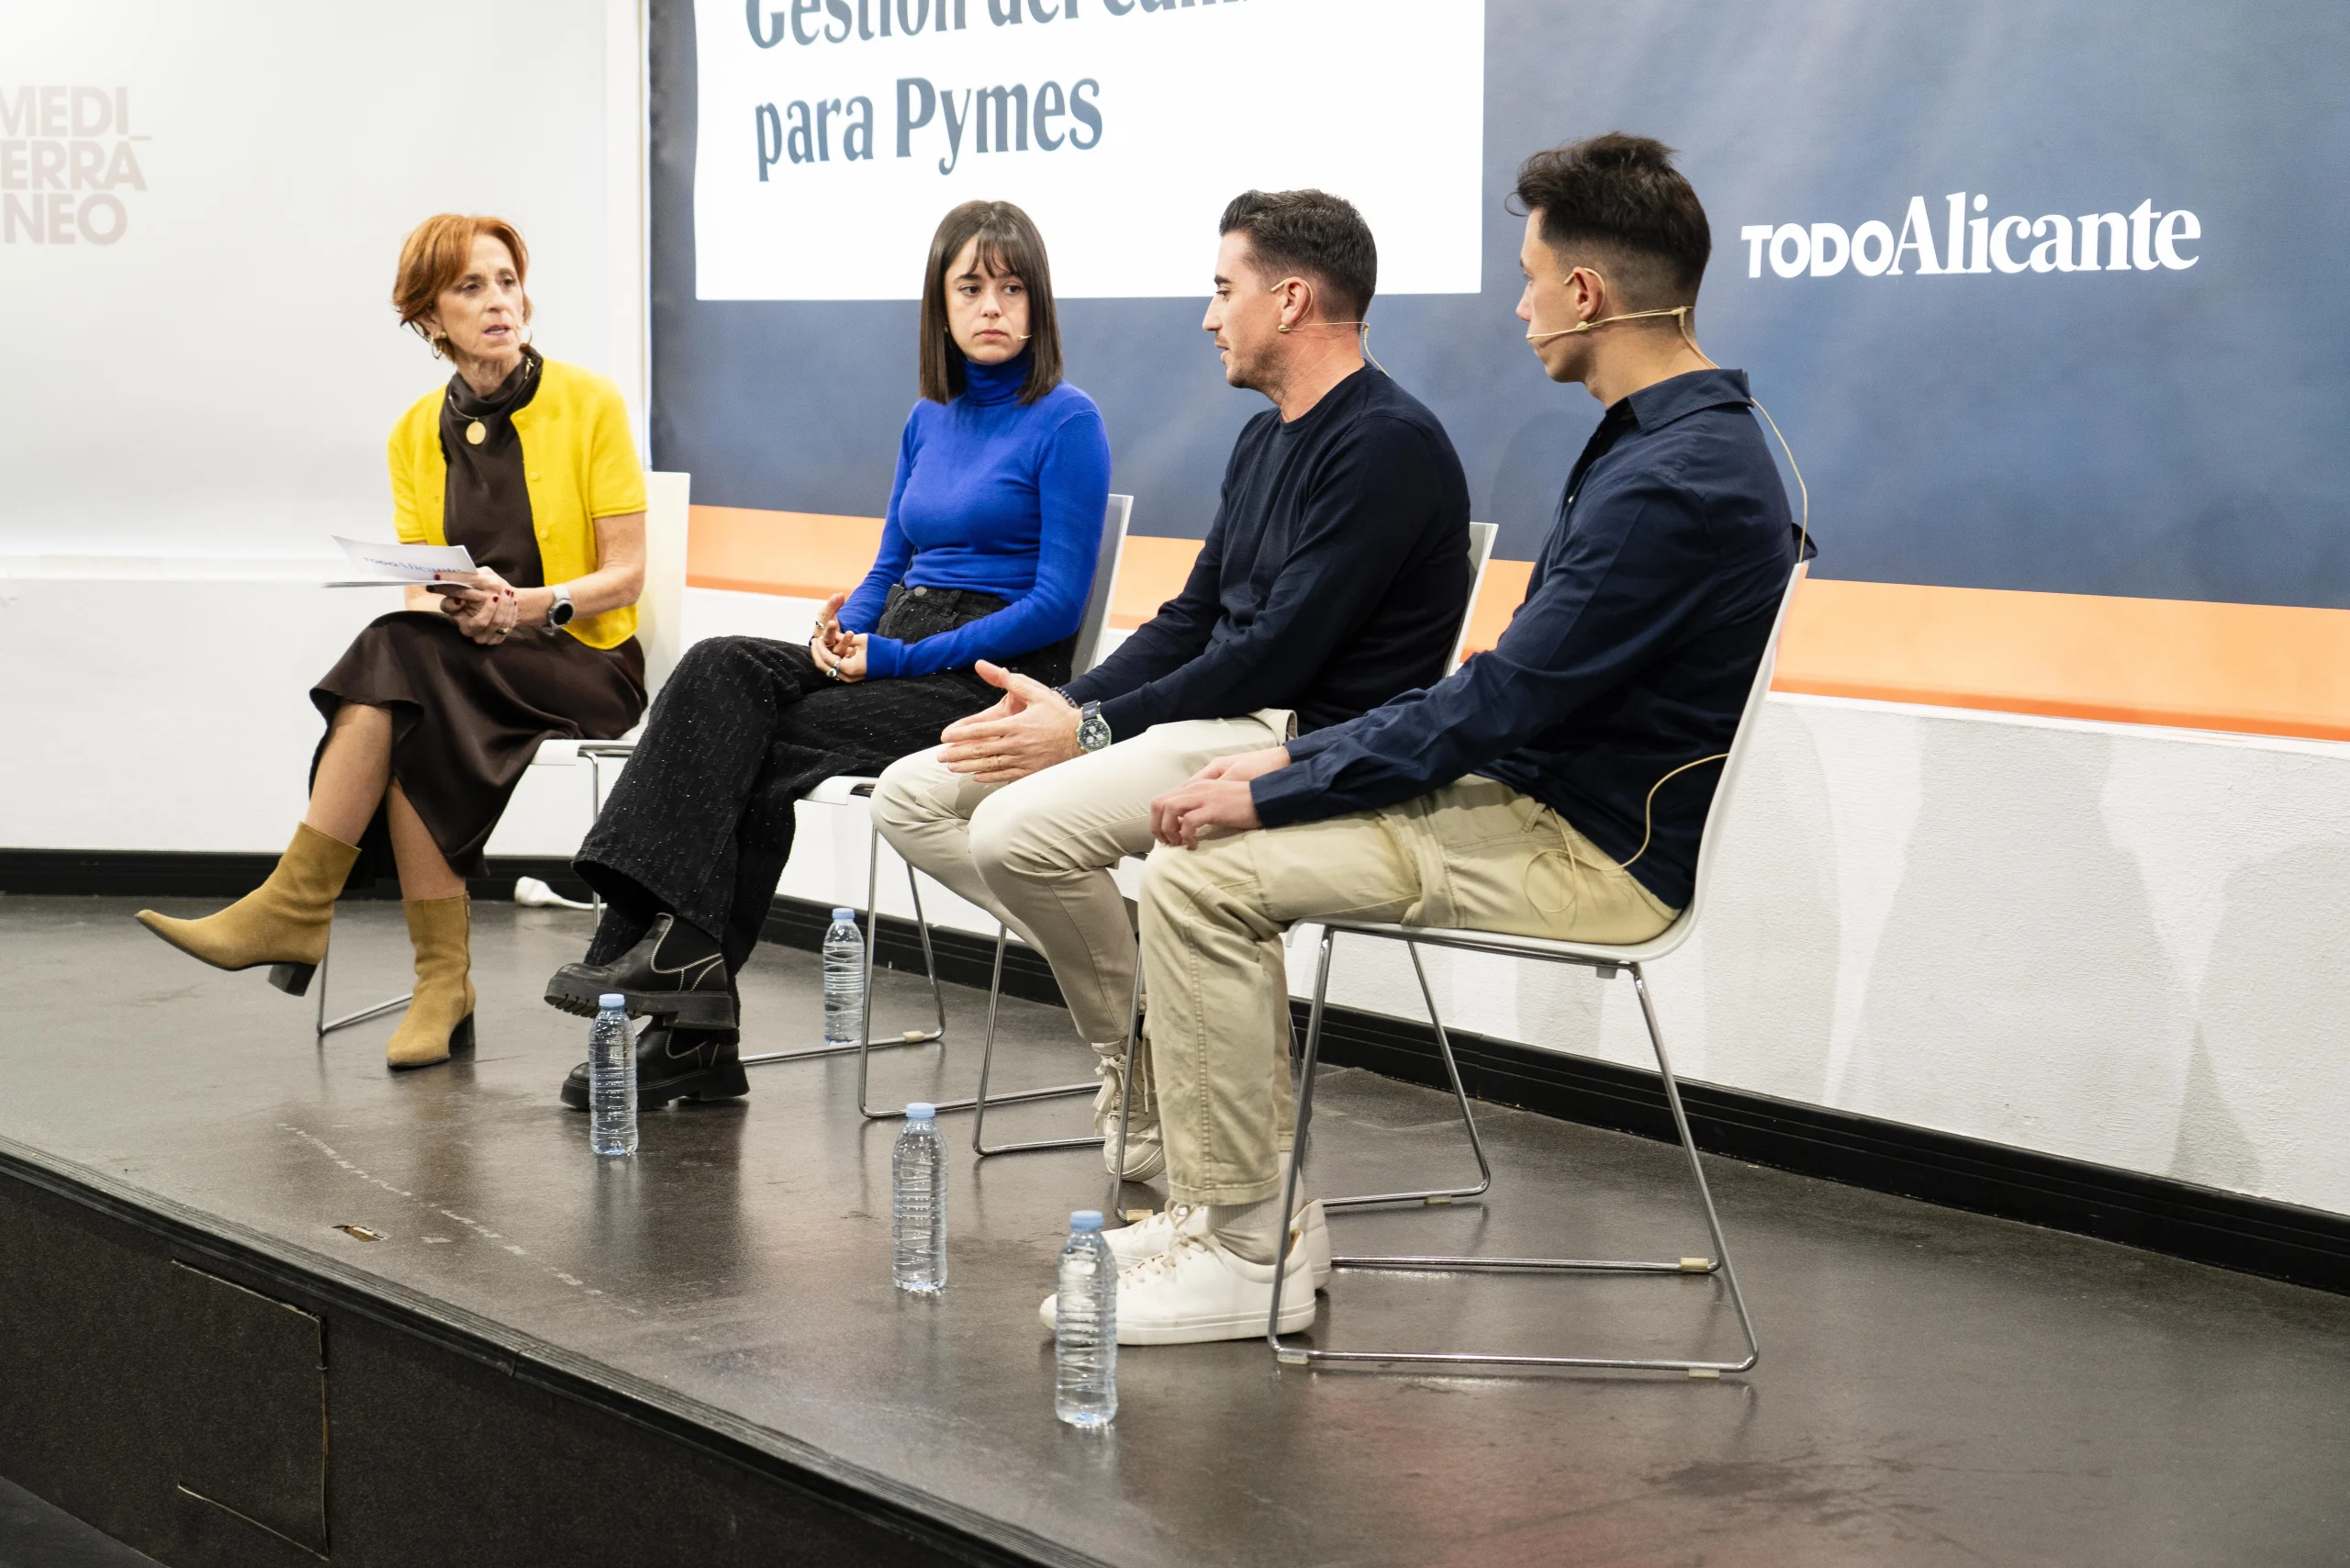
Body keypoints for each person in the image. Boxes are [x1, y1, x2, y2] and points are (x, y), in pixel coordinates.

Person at [1085, 133, 1813, 1343]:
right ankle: (1243, 1214)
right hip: (1535, 804)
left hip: (1588, 854)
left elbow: (1497, 704)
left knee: (1202, 878)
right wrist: (1291, 762)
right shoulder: (1664, 441)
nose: (1520, 307)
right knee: (1201, 857)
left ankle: (1247, 1246)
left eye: (1529, 280)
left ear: (1586, 291)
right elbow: (1498, 693)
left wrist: (1278, 785)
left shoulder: (1675, 478)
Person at [871, 188, 1472, 1184]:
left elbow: (1273, 657)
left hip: (1296, 736)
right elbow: (1193, 620)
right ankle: (1157, 1019)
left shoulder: (1386, 444)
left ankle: (1142, 1055)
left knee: (1015, 833)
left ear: (1288, 301)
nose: (1207, 316)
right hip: (1220, 714)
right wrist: (1072, 707)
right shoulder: (1265, 436)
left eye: (1223, 290)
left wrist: (1090, 730)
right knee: (912, 795)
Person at [543, 200, 1111, 1110]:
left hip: (993, 674)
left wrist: (892, 660)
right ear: (940, 305)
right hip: (905, 636)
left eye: (1012, 289)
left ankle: (681, 1003)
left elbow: (1056, 605)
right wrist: (845, 634)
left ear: (1038, 305)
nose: (992, 306)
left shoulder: (1067, 421)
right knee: (720, 666)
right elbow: (891, 561)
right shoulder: (928, 416)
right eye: (971, 287)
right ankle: (685, 983)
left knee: (765, 744)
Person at [136, 215, 649, 1070]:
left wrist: (521, 607)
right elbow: (421, 584)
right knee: (408, 678)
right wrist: (460, 611)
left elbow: (626, 577)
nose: (499, 302)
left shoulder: (588, 401)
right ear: (429, 318)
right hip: (470, 662)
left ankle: (306, 910)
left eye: (507, 282)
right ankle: (433, 978)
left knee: (399, 667)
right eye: (471, 288)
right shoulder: (414, 431)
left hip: (584, 662)